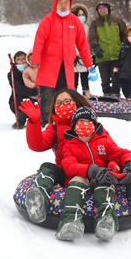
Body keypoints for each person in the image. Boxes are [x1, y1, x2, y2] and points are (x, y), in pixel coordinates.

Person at [58, 106, 131, 241]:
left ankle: (108, 219)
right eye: (80, 121)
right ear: (74, 126)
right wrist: (93, 170)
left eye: (88, 121)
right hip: (85, 176)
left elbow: (121, 152)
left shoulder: (103, 140)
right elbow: (69, 165)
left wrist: (129, 164)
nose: (84, 125)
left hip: (102, 177)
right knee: (77, 179)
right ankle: (70, 221)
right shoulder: (69, 145)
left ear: (94, 124)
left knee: (112, 176)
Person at [18, 89, 93, 224]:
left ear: (77, 103)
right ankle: (38, 197)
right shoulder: (54, 128)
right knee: (47, 167)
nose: (63, 106)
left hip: (89, 172)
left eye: (67, 101)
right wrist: (34, 121)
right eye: (58, 103)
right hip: (66, 171)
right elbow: (37, 145)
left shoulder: (90, 125)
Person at [31, 0, 92, 128]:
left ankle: (64, 126)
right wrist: (36, 60)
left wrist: (88, 63)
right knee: (47, 99)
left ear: (70, 4)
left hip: (67, 68)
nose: (63, 5)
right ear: (55, 3)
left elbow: (82, 44)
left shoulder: (75, 21)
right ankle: (46, 127)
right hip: (48, 67)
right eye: (60, 2)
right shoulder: (48, 19)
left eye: (66, 2)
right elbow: (39, 40)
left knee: (65, 99)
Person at [88, 0, 127, 98]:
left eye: (104, 7)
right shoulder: (95, 23)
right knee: (105, 80)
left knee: (116, 79)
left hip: (116, 56)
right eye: (99, 8)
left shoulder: (117, 20)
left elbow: (124, 34)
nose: (102, 10)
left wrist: (125, 47)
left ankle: (116, 96)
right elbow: (92, 37)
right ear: (97, 10)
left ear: (108, 8)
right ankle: (107, 97)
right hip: (102, 56)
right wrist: (95, 47)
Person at [8, 51, 38, 129]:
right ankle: (20, 120)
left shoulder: (34, 68)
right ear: (15, 62)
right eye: (19, 60)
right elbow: (18, 88)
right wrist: (35, 91)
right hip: (23, 97)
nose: (22, 62)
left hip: (37, 97)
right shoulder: (12, 73)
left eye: (24, 59)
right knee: (19, 98)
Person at [71, 3, 91, 95]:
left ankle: (86, 99)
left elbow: (88, 43)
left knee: (85, 83)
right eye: (79, 15)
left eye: (83, 15)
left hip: (84, 60)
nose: (81, 17)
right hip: (73, 60)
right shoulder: (70, 28)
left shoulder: (86, 28)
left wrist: (91, 56)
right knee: (74, 83)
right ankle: (74, 100)